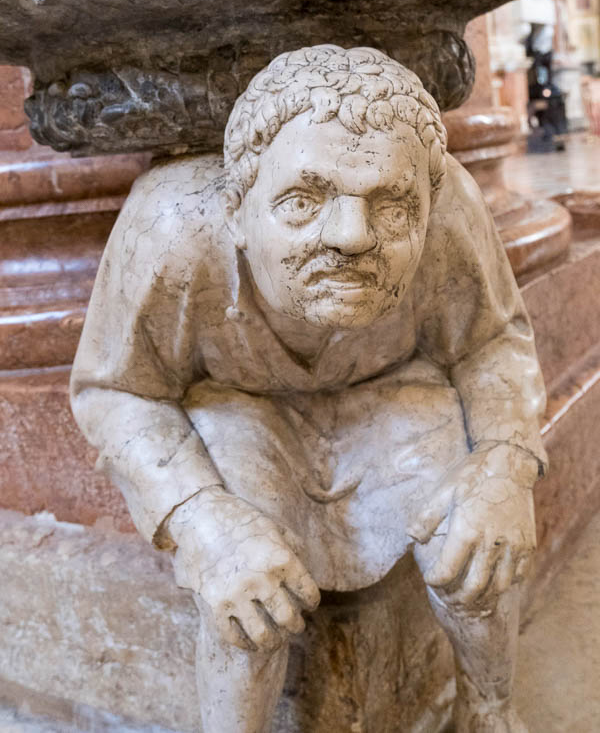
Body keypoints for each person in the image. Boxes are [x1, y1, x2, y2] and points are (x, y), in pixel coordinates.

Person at [71, 45, 547, 733]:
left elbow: (491, 342)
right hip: (246, 413)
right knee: (245, 597)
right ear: (237, 207)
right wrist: (204, 522)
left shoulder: (448, 210)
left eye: (391, 208)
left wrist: (506, 464)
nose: (350, 237)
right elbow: (115, 389)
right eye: (302, 200)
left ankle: (489, 709)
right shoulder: (172, 231)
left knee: (474, 548)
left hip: (393, 401)